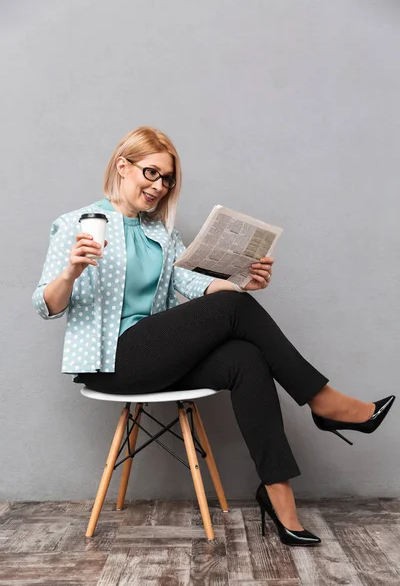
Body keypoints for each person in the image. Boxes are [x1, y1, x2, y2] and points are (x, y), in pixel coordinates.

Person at [32, 126, 395, 547]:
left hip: (156, 356)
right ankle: (324, 400)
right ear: (122, 166)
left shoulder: (161, 235)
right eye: (151, 173)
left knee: (244, 356)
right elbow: (46, 305)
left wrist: (244, 283)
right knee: (234, 316)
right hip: (111, 362)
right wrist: (71, 272)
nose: (159, 186)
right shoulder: (75, 224)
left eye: (167, 180)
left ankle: (279, 496)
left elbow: (192, 284)